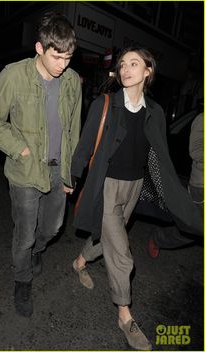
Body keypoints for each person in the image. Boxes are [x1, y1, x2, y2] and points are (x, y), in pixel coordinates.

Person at [71, 47, 202, 350]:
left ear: (147, 72)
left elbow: (159, 156)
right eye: (123, 64)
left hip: (134, 187)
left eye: (134, 63)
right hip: (107, 185)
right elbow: (86, 144)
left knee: (108, 237)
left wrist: (167, 193)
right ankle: (124, 314)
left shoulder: (155, 112)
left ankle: (79, 261)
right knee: (122, 252)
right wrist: (73, 177)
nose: (127, 68)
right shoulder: (105, 104)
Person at [0, 12, 82, 317]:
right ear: (40, 48)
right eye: (57, 57)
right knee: (24, 234)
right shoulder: (14, 75)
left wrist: (70, 173)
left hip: (57, 169)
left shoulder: (72, 81)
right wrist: (20, 149)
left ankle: (36, 252)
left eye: (68, 57)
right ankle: (21, 280)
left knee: (53, 227)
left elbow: (73, 131)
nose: (63, 64)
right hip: (26, 170)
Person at [147, 111, 203, 258]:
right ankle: (160, 237)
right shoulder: (202, 118)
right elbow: (196, 151)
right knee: (194, 227)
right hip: (201, 186)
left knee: (195, 229)